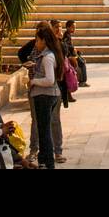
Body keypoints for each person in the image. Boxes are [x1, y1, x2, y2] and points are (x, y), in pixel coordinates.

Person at [27, 21, 65, 168]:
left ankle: (48, 163)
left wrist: (34, 81)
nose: (36, 43)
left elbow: (49, 80)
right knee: (43, 131)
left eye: (37, 40)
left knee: (45, 132)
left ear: (44, 40)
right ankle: (43, 161)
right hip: (47, 95)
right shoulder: (47, 54)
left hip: (45, 96)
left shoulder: (48, 57)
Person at [63, 20, 88, 87]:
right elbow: (66, 46)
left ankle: (82, 81)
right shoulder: (66, 36)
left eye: (75, 27)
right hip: (70, 56)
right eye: (72, 27)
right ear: (68, 27)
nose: (74, 29)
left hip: (72, 54)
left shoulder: (68, 35)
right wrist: (73, 50)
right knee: (82, 63)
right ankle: (82, 81)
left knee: (82, 61)